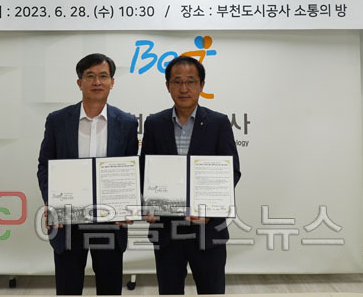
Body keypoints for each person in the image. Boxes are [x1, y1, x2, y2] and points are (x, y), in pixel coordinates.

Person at [37, 53, 139, 295]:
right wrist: (52, 202)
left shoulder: (126, 123)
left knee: (110, 288)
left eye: (103, 76)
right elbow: (44, 166)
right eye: (90, 76)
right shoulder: (58, 120)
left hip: (110, 220)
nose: (97, 82)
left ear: (112, 82)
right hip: (67, 220)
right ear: (79, 82)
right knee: (68, 288)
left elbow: (131, 169)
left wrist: (128, 206)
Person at [140, 55, 241, 295]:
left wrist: (210, 206)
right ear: (168, 86)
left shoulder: (218, 123)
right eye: (177, 82)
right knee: (169, 291)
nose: (183, 88)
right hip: (167, 230)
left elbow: (231, 171)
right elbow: (145, 171)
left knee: (211, 291)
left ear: (201, 85)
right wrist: (147, 203)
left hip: (208, 230)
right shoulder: (155, 123)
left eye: (190, 82)